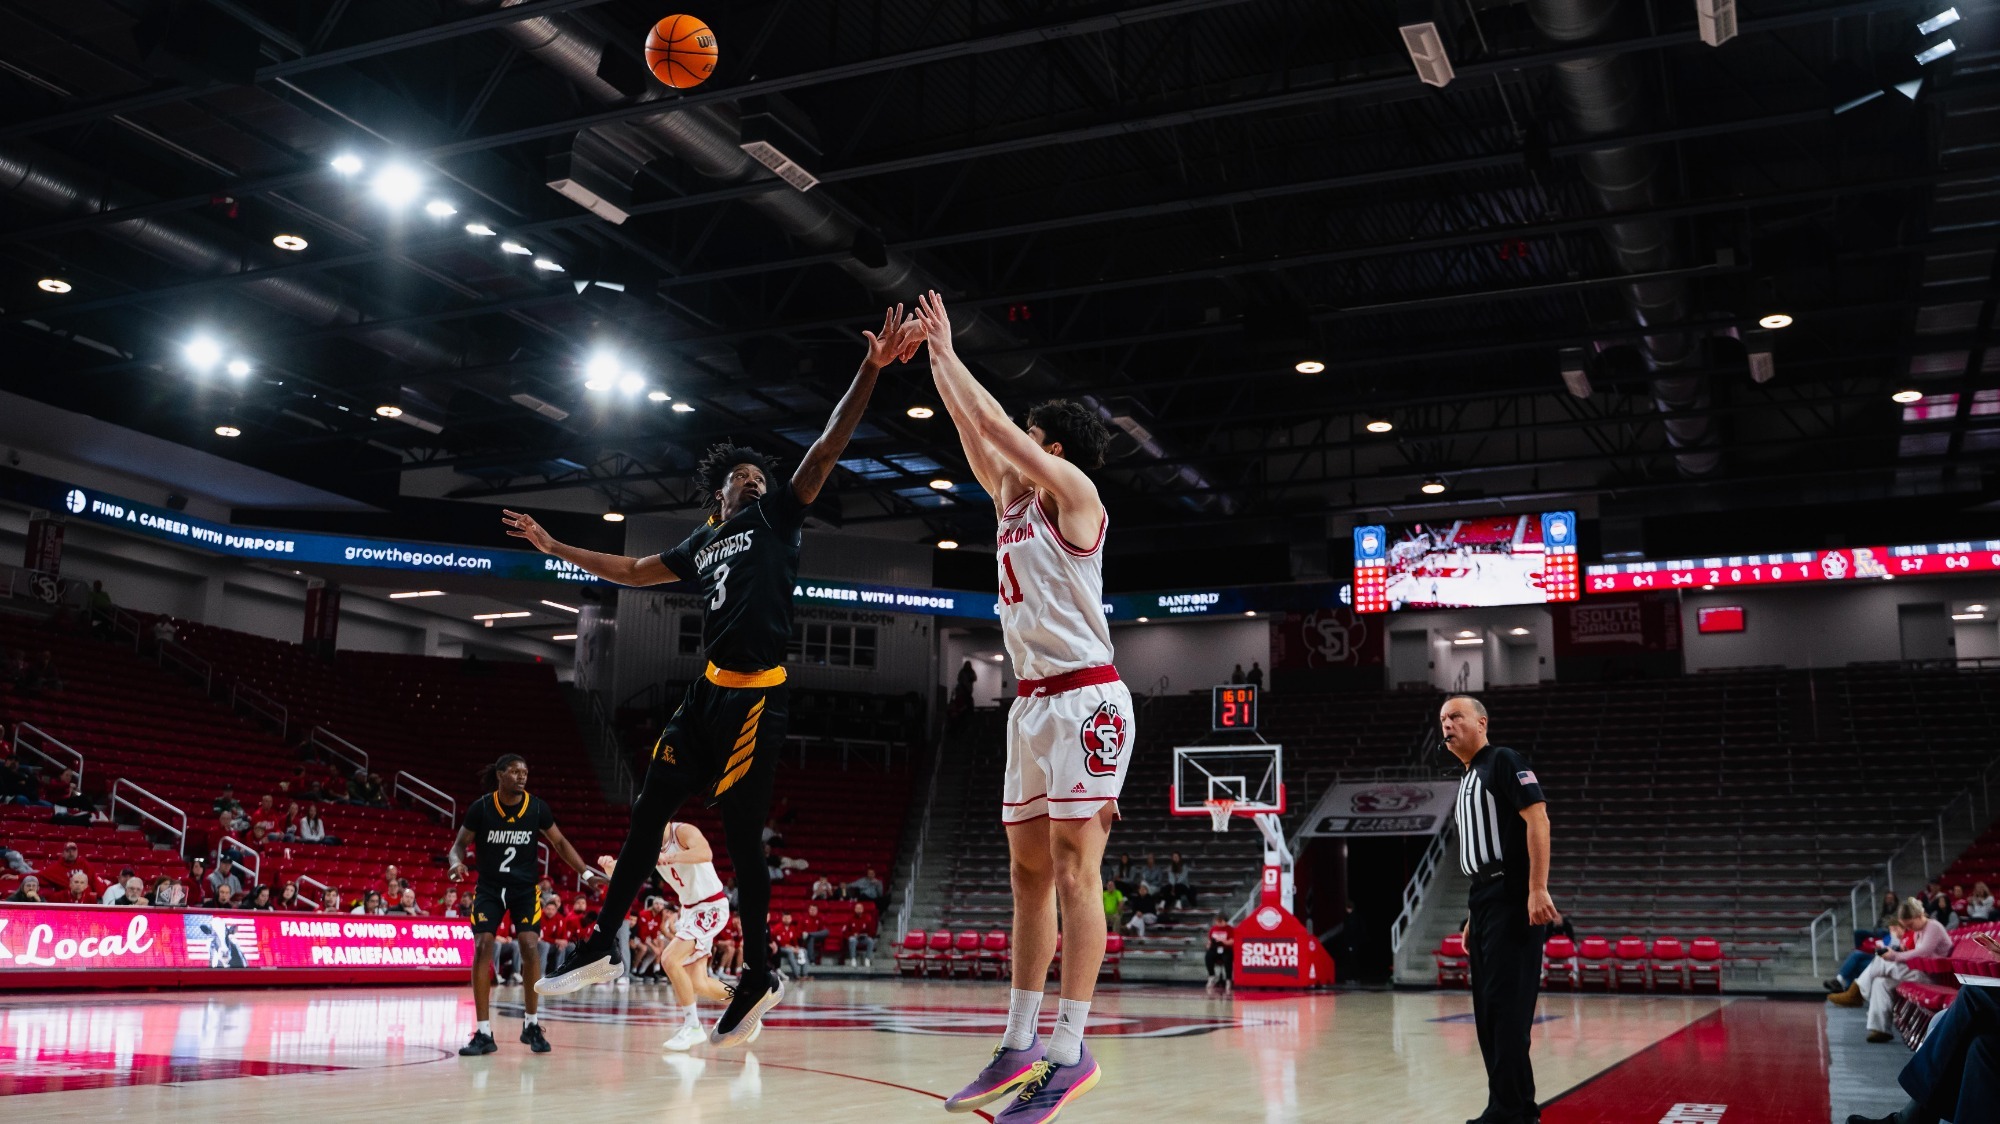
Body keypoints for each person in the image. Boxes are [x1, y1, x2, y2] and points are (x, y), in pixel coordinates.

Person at [518, 305, 921, 1050]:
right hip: (703, 696)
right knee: (647, 812)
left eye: (761, 474)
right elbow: (633, 570)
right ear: (721, 495)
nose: (757, 480)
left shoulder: (780, 519)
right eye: (745, 476)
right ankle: (606, 943)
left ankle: (761, 970)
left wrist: (869, 369)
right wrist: (556, 544)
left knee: (742, 842)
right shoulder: (704, 541)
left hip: (755, 701)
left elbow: (827, 449)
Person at [917, 291, 1130, 1122]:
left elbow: (997, 429)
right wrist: (936, 358)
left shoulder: (1075, 496)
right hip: (1030, 706)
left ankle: (1071, 1053)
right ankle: (1019, 1042)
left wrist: (953, 348)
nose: (1012, 453)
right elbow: (978, 432)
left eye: (1030, 444)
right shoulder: (1010, 505)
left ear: (1052, 448)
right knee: (1026, 873)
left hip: (1087, 701)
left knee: (1079, 868)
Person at [1443, 694, 1558, 1124]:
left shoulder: (1503, 760)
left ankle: (1512, 1112)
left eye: (1456, 716)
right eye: (1442, 719)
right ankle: (1509, 1107)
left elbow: (1539, 818)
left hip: (1512, 895)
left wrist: (1537, 887)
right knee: (1489, 1011)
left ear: (1482, 722)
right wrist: (1474, 915)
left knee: (1507, 1009)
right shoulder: (1468, 777)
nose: (1447, 725)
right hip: (1484, 899)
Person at [448, 753, 604, 1057]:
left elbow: (559, 842)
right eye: (516, 771)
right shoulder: (481, 808)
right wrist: (455, 863)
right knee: (483, 946)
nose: (522, 776)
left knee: (531, 946)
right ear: (500, 774)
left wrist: (584, 872)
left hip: (524, 889)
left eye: (525, 772)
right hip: (490, 889)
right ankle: (483, 1033)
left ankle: (531, 1024)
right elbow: (459, 845)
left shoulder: (536, 807)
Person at [604, 818, 748, 1051]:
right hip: (689, 910)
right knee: (698, 984)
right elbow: (625, 873)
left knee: (669, 959)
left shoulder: (681, 831)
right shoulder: (647, 844)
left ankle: (692, 1026)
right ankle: (748, 1004)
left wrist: (673, 857)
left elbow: (705, 852)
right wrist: (610, 866)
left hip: (710, 905)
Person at [1845, 937, 2000, 1124]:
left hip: (1924, 973)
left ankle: (1911, 1118)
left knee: (1972, 995)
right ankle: (1912, 1117)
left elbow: (1920, 954)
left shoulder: (1933, 929)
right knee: (1980, 1044)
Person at [1832, 897, 1954, 1042]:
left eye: (1910, 924)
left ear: (1918, 916)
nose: (1910, 929)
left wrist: (1895, 955)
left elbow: (1923, 953)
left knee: (1882, 961)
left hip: (1932, 977)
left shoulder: (1933, 927)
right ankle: (1881, 1029)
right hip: (1920, 971)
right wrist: (1897, 953)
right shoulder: (1920, 930)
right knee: (1880, 981)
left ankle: (1857, 990)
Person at [1204, 913, 1235, 991]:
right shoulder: (1213, 929)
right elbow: (1209, 940)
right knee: (1208, 956)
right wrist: (1209, 945)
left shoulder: (1230, 929)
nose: (1218, 923)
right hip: (1215, 948)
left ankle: (1228, 979)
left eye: (1220, 921)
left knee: (1228, 959)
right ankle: (1212, 976)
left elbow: (1232, 942)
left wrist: (1222, 941)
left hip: (1226, 949)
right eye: (1218, 921)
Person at [846, 900, 878, 966]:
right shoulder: (850, 919)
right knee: (852, 940)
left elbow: (871, 931)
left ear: (863, 910)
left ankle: (867, 959)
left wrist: (867, 935)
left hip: (863, 938)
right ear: (854, 909)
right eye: (857, 908)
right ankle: (853, 959)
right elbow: (845, 932)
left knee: (870, 941)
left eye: (860, 908)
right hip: (854, 937)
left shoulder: (867, 919)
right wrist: (853, 934)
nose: (859, 910)